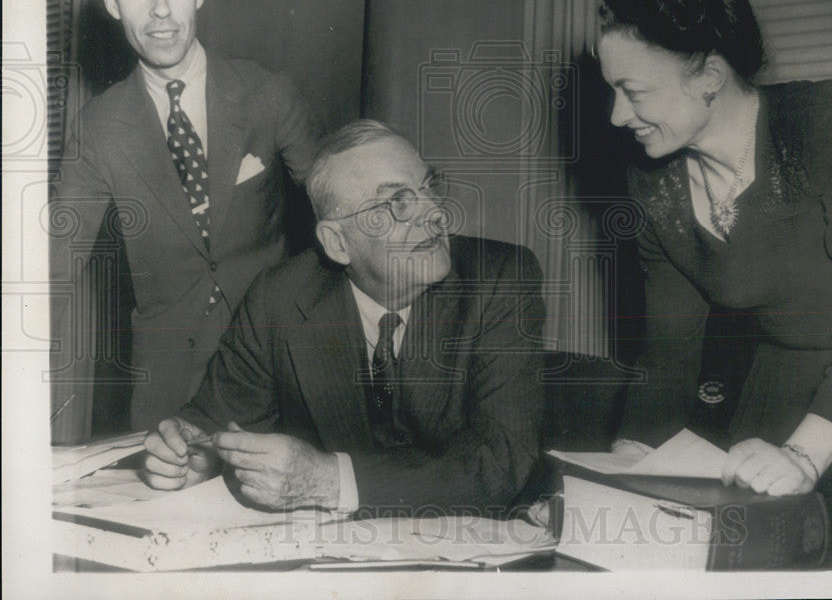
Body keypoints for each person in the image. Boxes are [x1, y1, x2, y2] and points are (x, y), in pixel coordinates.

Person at [597, 0, 832, 563]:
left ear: (708, 76)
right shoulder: (652, 177)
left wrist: (806, 455)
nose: (617, 115)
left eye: (634, 92)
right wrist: (630, 458)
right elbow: (668, 349)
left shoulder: (828, 121)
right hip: (766, 410)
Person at [141, 121, 546, 514]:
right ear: (336, 243)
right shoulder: (279, 298)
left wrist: (332, 481)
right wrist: (190, 453)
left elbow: (501, 459)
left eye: (429, 187)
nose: (435, 214)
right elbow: (216, 419)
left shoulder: (500, 278)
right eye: (398, 202)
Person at [49, 0, 320, 433]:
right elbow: (51, 271)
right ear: (111, 2)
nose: (160, 10)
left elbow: (341, 208)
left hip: (277, 377)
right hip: (167, 399)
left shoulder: (268, 93)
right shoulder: (98, 128)